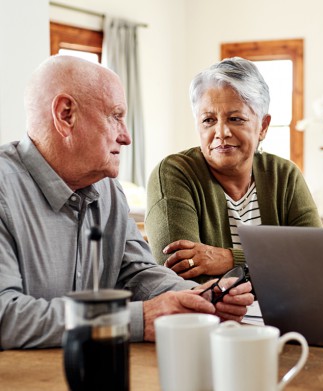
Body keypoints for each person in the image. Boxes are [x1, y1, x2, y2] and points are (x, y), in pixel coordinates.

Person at [0, 55, 253, 350]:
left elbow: (137, 272)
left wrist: (201, 297)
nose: (127, 137)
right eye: (116, 116)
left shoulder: (107, 189)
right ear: (66, 115)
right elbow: (6, 316)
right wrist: (133, 319)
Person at [146, 57, 322, 283]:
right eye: (208, 120)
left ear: (263, 127)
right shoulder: (173, 173)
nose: (221, 133)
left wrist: (230, 259)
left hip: (283, 316)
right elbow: (180, 279)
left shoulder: (285, 175)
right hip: (206, 318)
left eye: (235, 119)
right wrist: (276, 266)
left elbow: (316, 261)